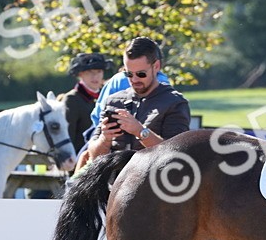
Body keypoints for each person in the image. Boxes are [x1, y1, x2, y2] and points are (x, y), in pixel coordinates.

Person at [77, 38, 191, 171]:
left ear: (156, 67)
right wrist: (105, 139)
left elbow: (176, 156)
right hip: (112, 184)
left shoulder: (174, 102)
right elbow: (95, 156)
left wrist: (141, 132)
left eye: (141, 74)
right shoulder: (113, 101)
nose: (134, 80)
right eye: (128, 74)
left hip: (152, 184)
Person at [59, 52, 111, 153]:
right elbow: (68, 135)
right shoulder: (72, 99)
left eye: (99, 71)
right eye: (90, 72)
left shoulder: (107, 97)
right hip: (80, 157)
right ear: (80, 74)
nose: (95, 76)